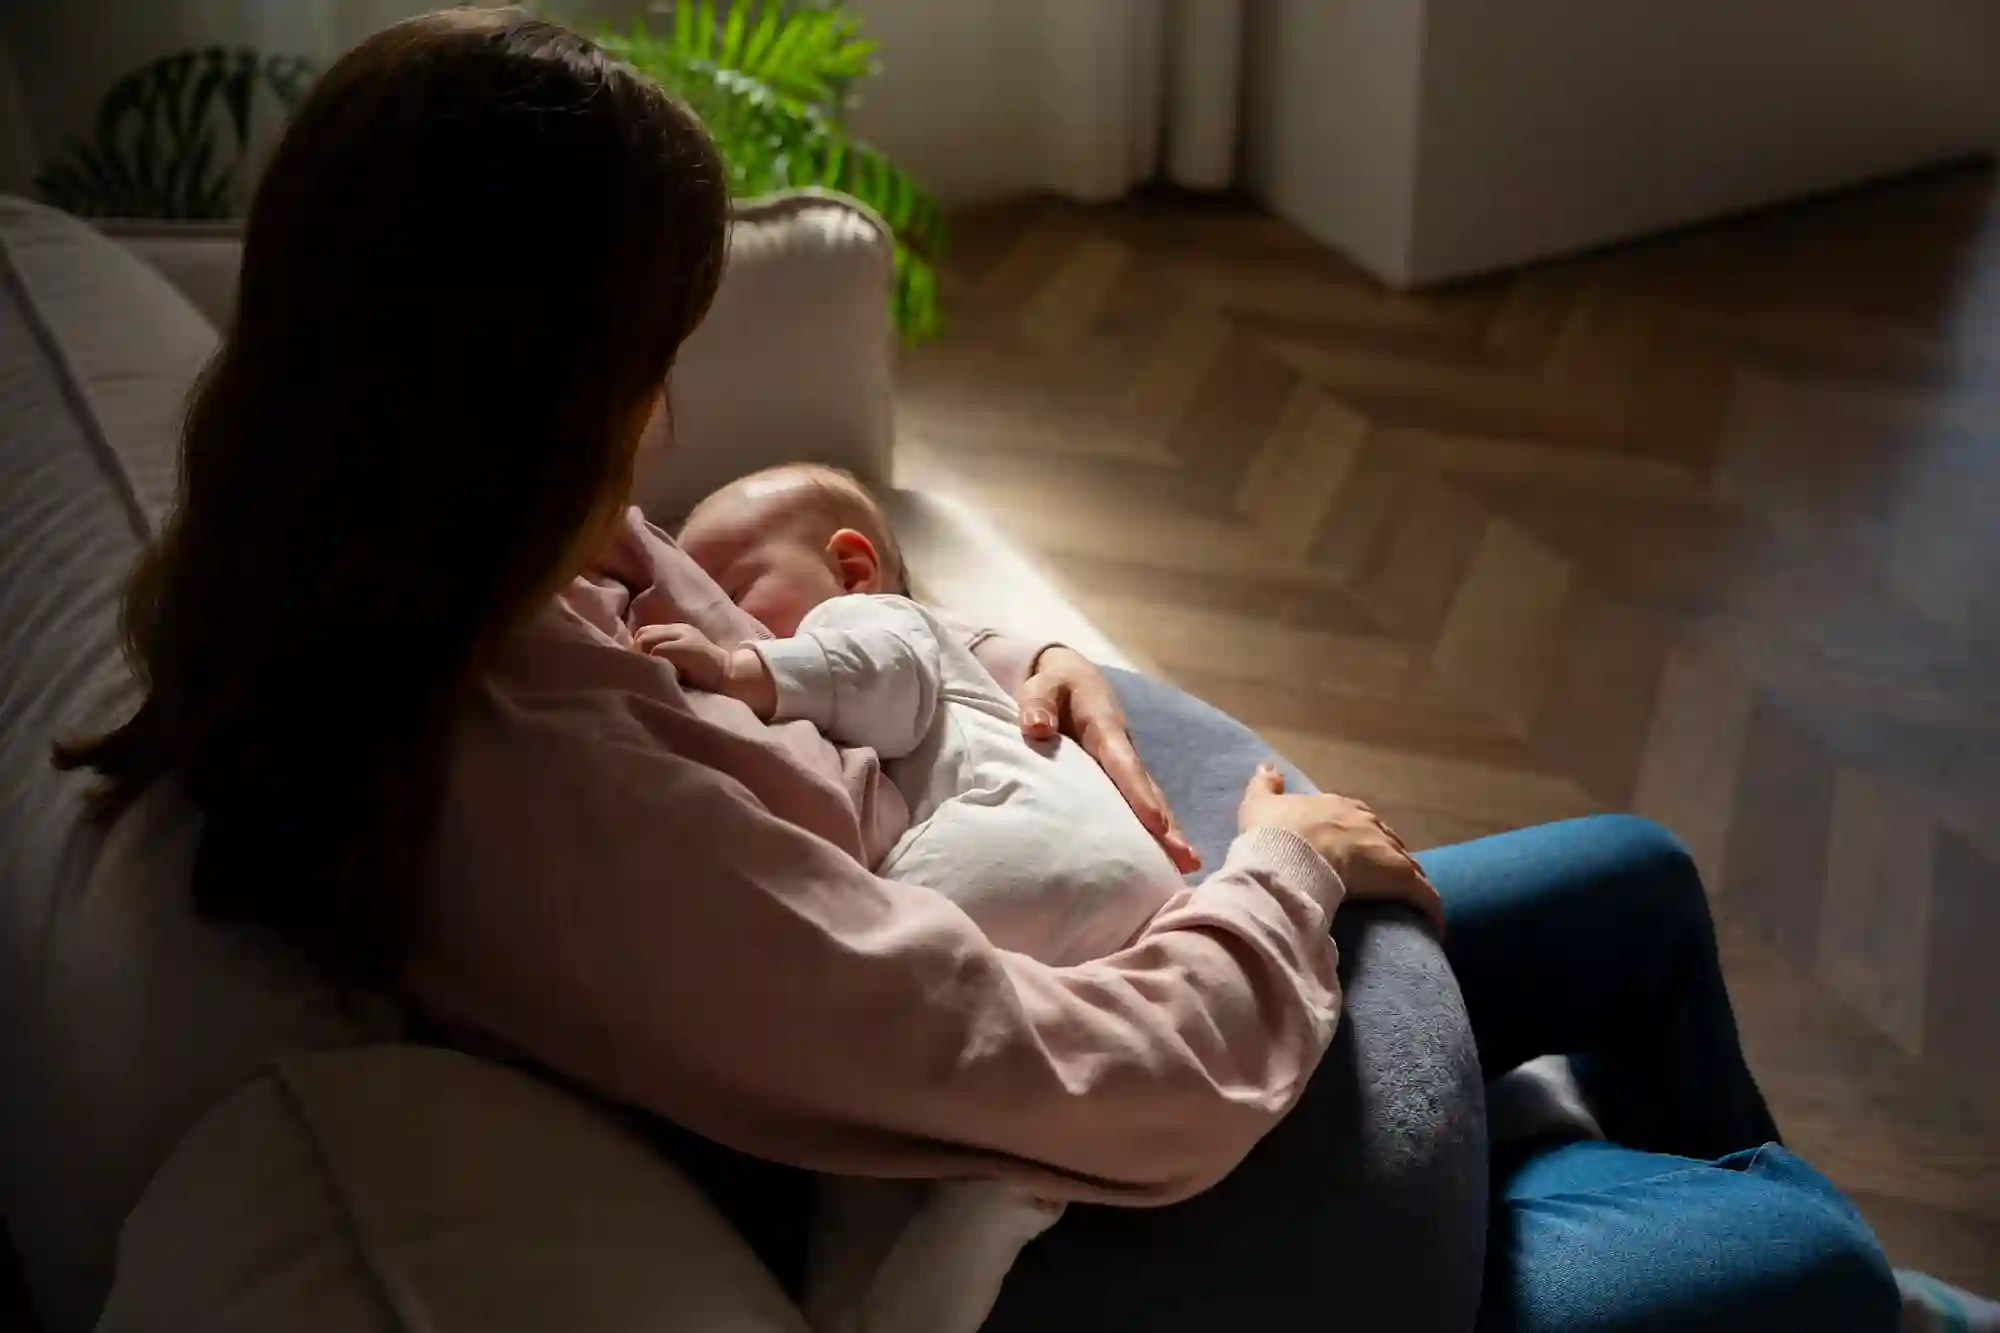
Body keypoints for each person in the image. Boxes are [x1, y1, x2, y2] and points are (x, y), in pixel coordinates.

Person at [53, 11, 1908, 1332]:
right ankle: (1737, 1248)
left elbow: (820, 648)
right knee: (1808, 1267)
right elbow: (1083, 1081)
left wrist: (1037, 667)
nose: (669, 409)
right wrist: (1285, 863)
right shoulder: (560, 817)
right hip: (1164, 1219)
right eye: (646, 355)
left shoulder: (467, 562)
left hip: (1179, 1031)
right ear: (527, 397)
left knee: (1643, 886)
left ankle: (1660, 1203)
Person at [655, 461, 1436, 1333]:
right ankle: (981, 1201)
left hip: (999, 861)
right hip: (1120, 888)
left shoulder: (869, 622)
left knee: (868, 1146)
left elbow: (867, 666)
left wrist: (739, 666)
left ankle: (961, 1223)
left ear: (851, 569)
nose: (708, 613)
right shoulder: (958, 677)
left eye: (730, 588)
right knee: (890, 1158)